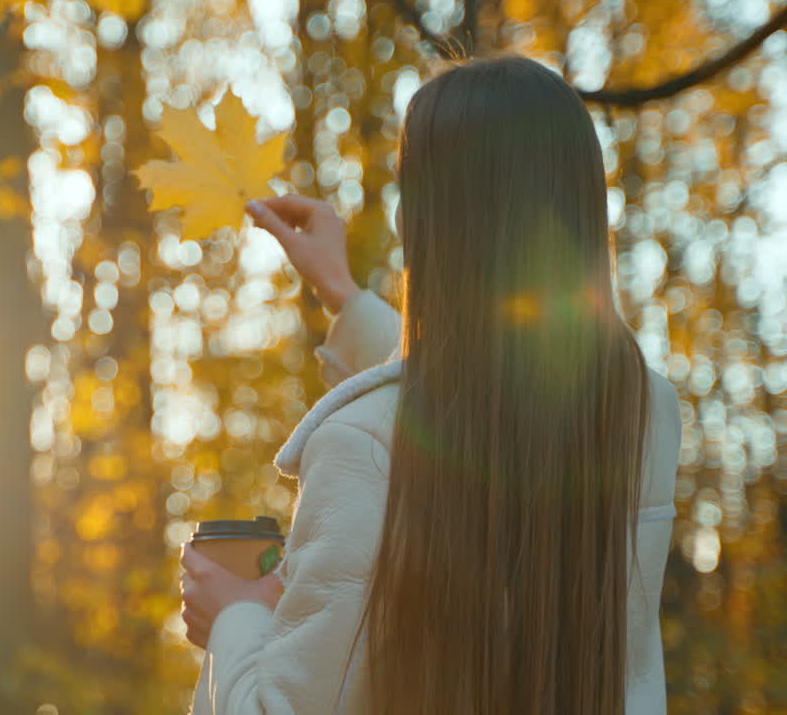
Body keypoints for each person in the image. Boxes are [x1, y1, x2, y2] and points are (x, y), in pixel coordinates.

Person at [179, 54, 682, 715]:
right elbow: (484, 401)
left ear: (426, 221)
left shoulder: (360, 446)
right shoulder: (642, 413)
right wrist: (345, 297)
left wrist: (235, 621)